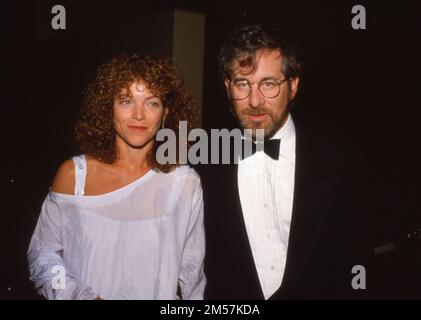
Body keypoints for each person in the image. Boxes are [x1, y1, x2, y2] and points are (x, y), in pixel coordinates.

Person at [200, 24, 369, 299]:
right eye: (243, 84)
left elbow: (355, 261)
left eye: (268, 84)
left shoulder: (342, 165)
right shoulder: (202, 165)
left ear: (293, 86)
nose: (255, 101)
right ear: (227, 88)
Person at [27, 54, 206, 300]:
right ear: (108, 106)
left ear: (166, 112)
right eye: (126, 101)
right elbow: (42, 253)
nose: (139, 115)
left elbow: (192, 274)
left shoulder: (185, 184)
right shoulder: (74, 176)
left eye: (152, 103)